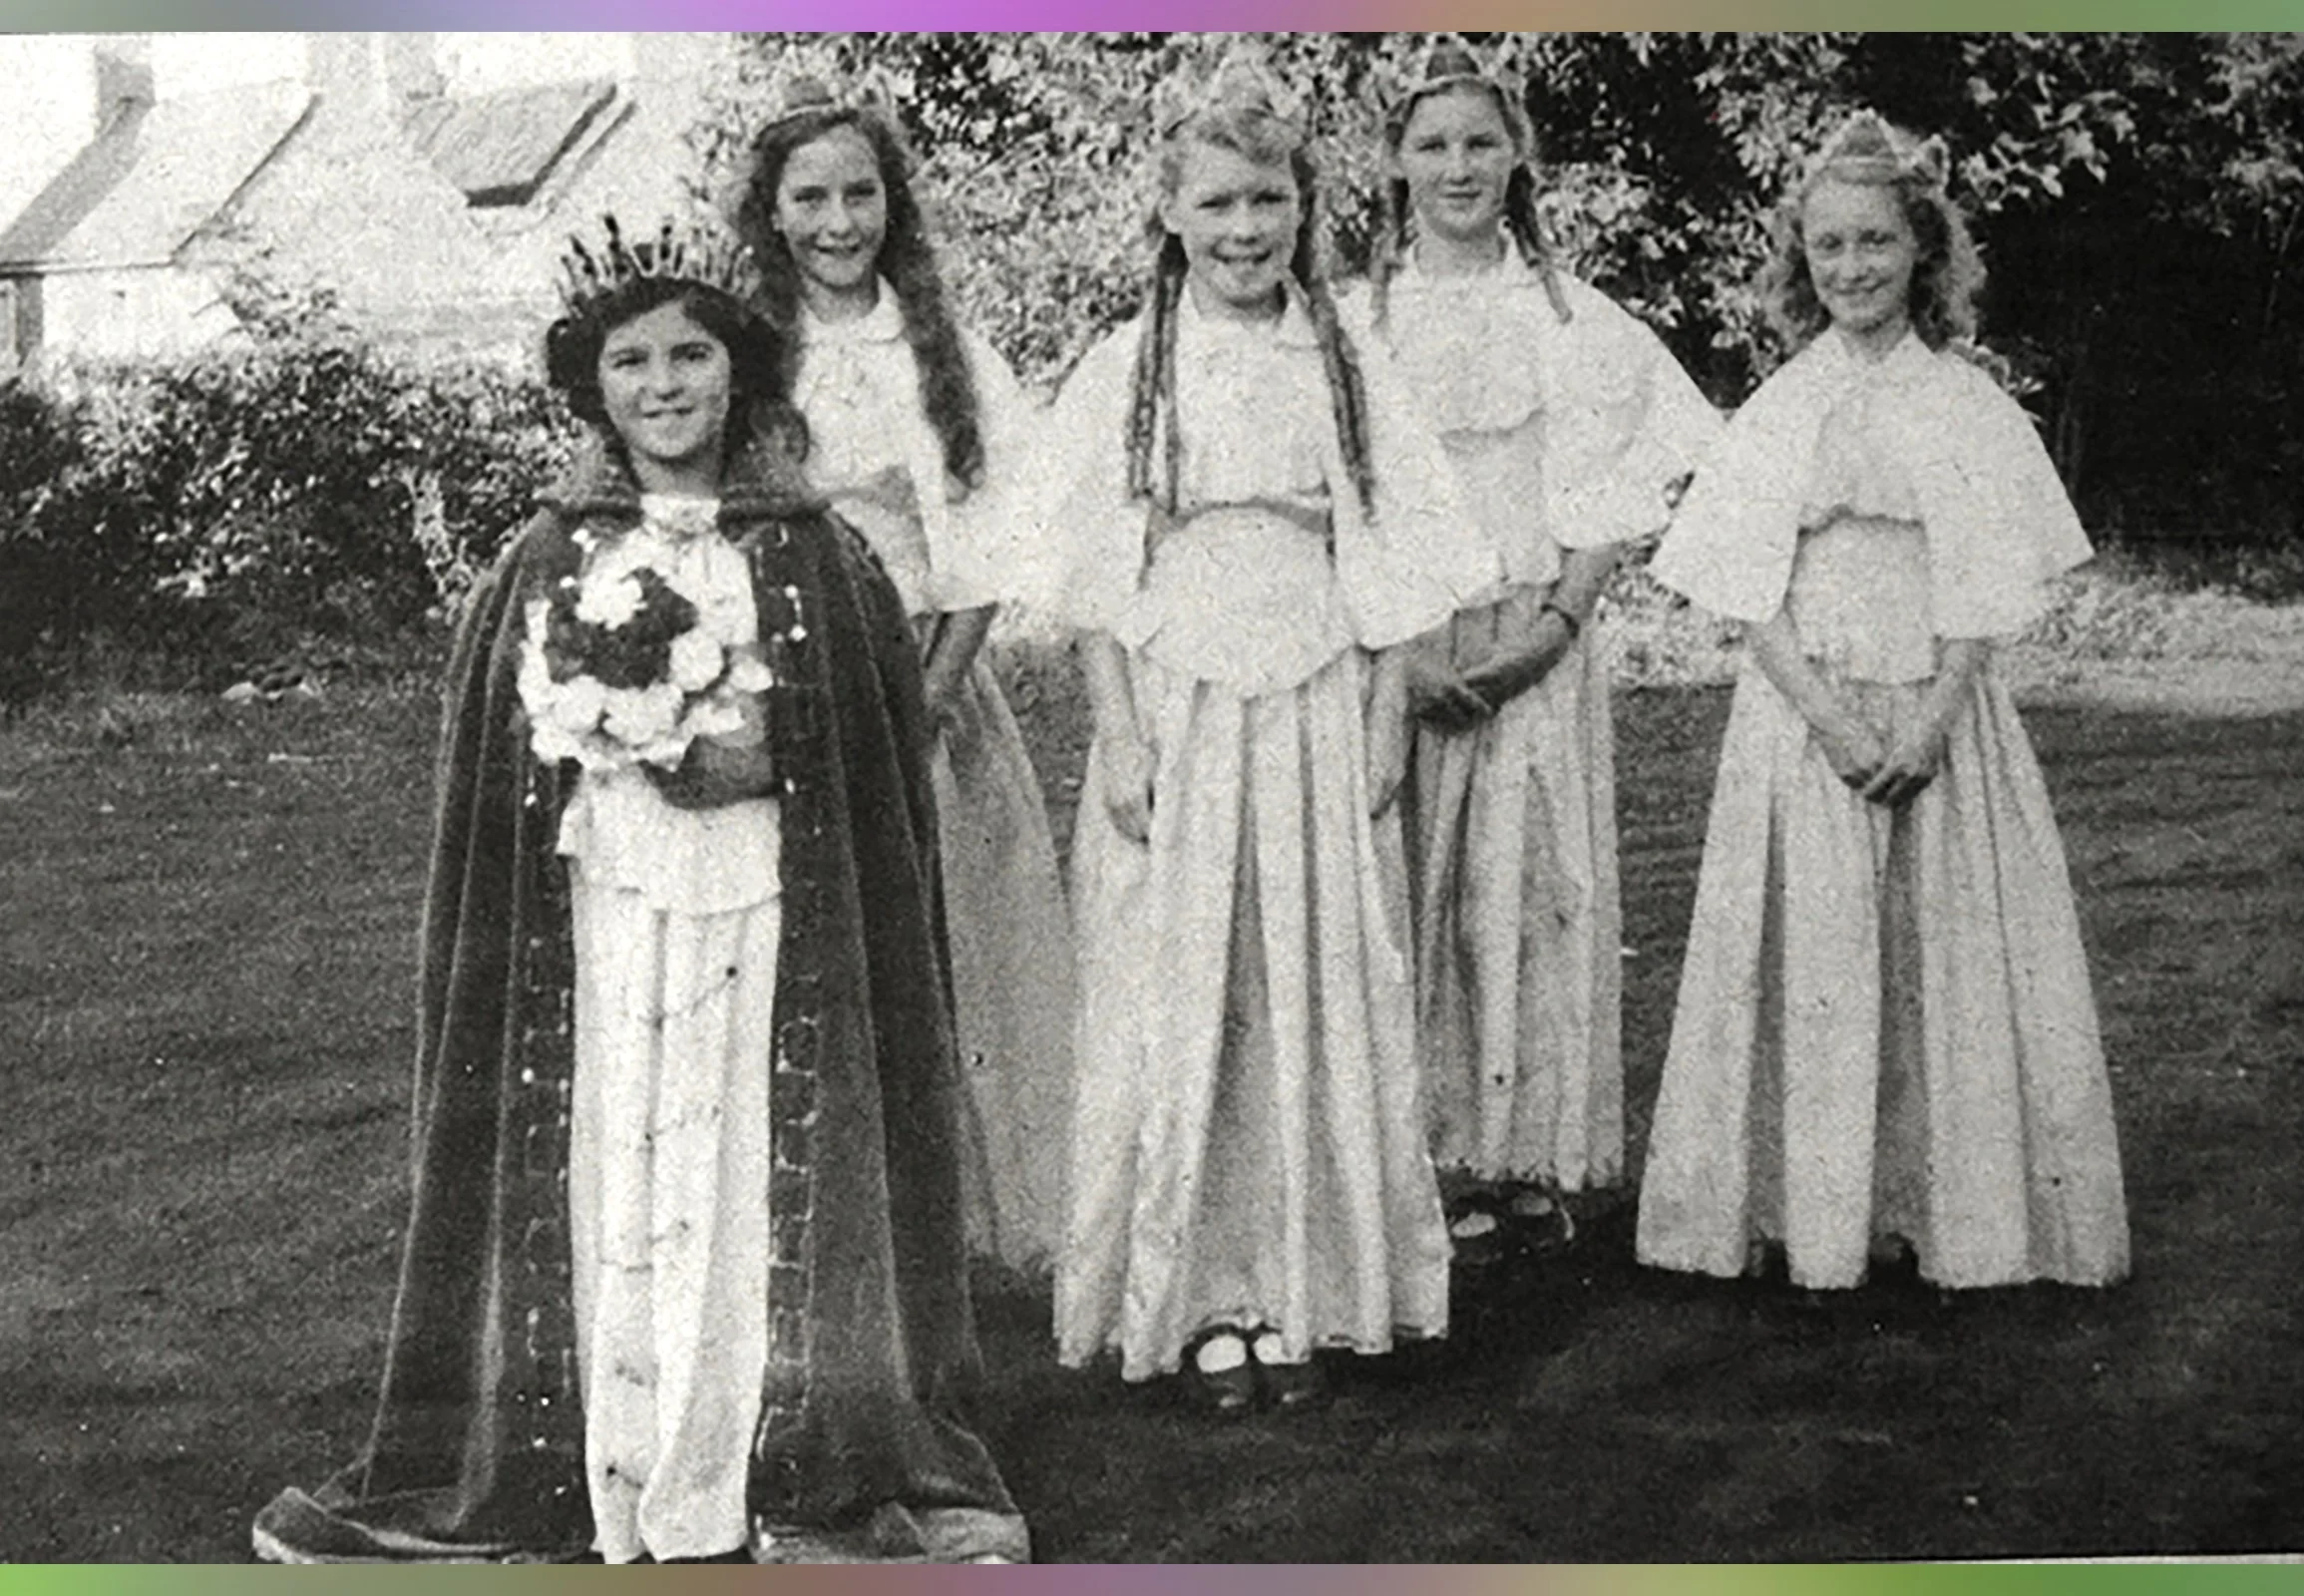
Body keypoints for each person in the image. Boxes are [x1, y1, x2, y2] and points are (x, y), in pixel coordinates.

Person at [251, 217, 1029, 1564]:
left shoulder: (817, 552)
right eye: (632, 363)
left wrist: (768, 756)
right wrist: (613, 738)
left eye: (692, 355)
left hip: (763, 911)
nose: (666, 385)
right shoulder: (547, 555)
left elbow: (871, 737)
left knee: (741, 1154)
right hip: (605, 915)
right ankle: (607, 1460)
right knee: (623, 1149)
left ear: (741, 375)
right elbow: (496, 782)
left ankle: (761, 1464)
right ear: (592, 388)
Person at [1031, 52, 1499, 1415]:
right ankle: (1193, 1302)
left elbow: (1397, 555)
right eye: (1221, 205)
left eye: (1272, 204)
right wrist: (1118, 734)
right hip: (1177, 708)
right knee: (1180, 995)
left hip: (1310, 702)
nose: (1247, 232)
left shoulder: (1345, 357)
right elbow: (1093, 582)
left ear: (1307, 208)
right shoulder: (1128, 365)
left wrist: (1383, 713)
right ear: (1173, 213)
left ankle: (1303, 1292)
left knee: (1311, 989)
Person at [1634, 113, 2131, 1293]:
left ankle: (1951, 1212)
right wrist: (1831, 718)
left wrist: (1930, 719)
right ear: (1799, 263)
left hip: (1939, 715)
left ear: (1924, 250)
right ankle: (1817, 1217)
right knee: (1816, 958)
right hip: (1807, 719)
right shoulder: (1777, 410)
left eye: (1875, 242)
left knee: (1942, 957)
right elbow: (1751, 600)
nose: (1851, 268)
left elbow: (1984, 588)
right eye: (1828, 248)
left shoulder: (1966, 405)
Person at [1348, 37, 1721, 1266]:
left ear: (1519, 156)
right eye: (1432, 144)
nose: (1458, 168)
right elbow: (1337, 502)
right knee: (1414, 900)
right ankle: (1426, 1159)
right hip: (1401, 647)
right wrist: (1403, 650)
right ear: (1395, 162)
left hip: (1535, 638)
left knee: (1526, 894)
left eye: (1481, 142)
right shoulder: (1357, 320)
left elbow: (1625, 480)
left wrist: (1555, 624)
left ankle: (1523, 1155)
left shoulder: (1571, 315)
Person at [731, 78, 1076, 1277]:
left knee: (961, 948)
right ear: (771, 213)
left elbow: (998, 542)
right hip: (791, 690)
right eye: (811, 196)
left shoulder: (948, 352)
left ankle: (969, 1228)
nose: (839, 220)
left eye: (861, 192)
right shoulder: (748, 357)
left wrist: (928, 697)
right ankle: (832, 1234)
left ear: (893, 202)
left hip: (934, 686)